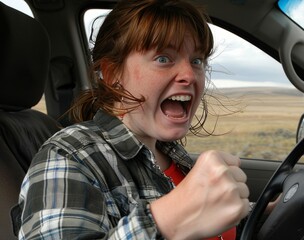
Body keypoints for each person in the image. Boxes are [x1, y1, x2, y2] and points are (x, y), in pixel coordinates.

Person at [14, 0, 250, 239]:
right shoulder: (70, 156)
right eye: (163, 59)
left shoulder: (170, 153)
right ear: (112, 73)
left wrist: (268, 211)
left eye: (197, 60)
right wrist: (166, 222)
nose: (189, 75)